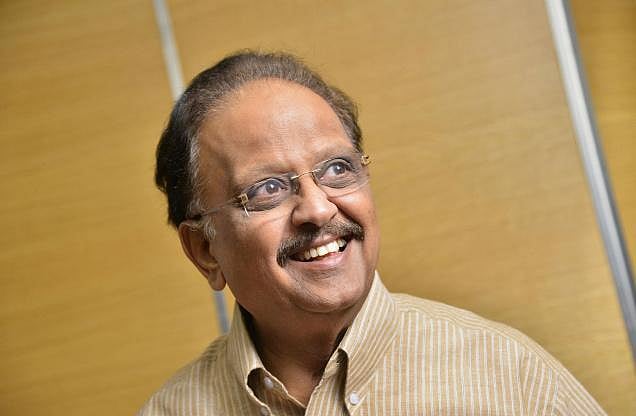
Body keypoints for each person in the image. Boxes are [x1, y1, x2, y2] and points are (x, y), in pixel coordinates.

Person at [138, 51, 605, 415]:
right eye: (268, 189)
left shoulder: (509, 374)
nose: (318, 208)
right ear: (205, 249)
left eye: (337, 168)